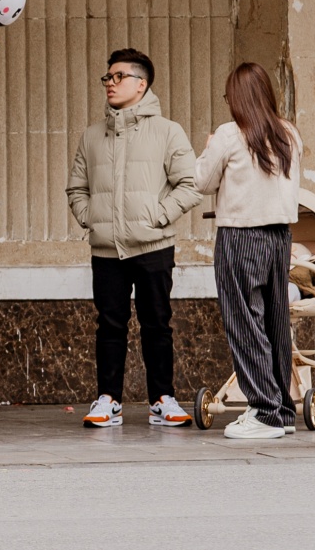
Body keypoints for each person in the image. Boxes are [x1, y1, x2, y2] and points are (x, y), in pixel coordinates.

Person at [67, 47, 200, 430]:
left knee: (157, 323)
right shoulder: (92, 135)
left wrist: (156, 217)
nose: (110, 83)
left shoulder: (168, 131)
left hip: (153, 245)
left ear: (141, 85)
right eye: (107, 77)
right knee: (109, 325)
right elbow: (76, 188)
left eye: (118, 77)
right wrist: (92, 219)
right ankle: (108, 399)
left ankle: (163, 399)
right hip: (106, 249)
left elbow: (190, 186)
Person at [194, 62, 301, 441]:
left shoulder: (228, 134)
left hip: (241, 236)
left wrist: (207, 149)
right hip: (279, 237)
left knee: (245, 321)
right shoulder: (288, 133)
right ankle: (282, 408)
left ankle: (265, 412)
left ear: (237, 99)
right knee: (275, 322)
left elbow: (201, 181)